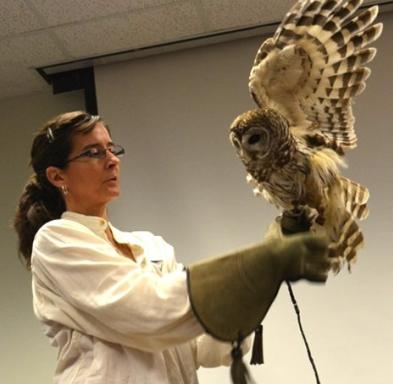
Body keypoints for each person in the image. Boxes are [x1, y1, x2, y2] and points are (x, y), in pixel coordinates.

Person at [14, 111, 332, 384]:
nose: (111, 161)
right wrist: (258, 263)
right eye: (93, 153)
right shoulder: (56, 241)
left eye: (111, 149)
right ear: (57, 176)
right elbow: (147, 311)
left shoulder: (150, 245)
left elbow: (205, 346)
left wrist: (259, 281)